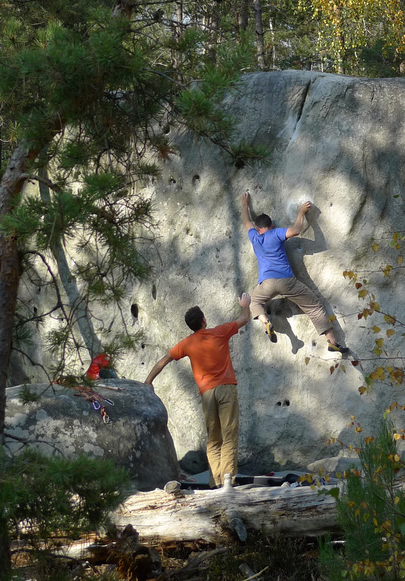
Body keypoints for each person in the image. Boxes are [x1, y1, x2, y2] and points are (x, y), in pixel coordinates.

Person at [145, 292, 251, 489]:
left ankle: (215, 482)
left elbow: (163, 361)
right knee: (229, 435)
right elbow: (244, 318)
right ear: (204, 320)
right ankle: (227, 482)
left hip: (207, 394)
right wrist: (245, 304)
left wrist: (148, 381)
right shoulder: (219, 332)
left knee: (213, 438)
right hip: (226, 389)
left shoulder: (187, 344)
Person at [240, 190, 347, 354]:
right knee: (314, 306)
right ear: (271, 226)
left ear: (258, 228)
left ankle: (265, 322)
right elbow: (296, 229)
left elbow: (247, 222)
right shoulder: (275, 233)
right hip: (286, 281)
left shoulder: (255, 237)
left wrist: (244, 204)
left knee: (254, 302)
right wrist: (301, 213)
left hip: (266, 284)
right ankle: (332, 341)